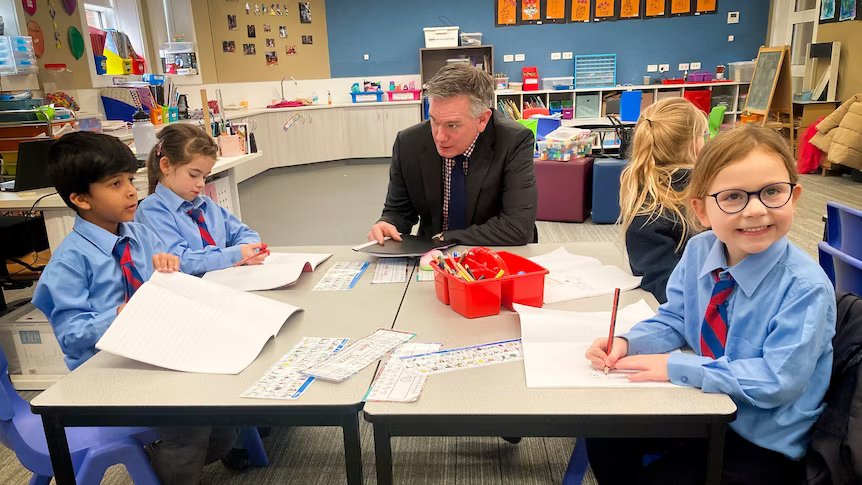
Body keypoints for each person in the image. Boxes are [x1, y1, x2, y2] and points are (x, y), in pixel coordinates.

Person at [584, 126, 836, 485]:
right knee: (605, 434)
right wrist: (627, 341)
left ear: (793, 198)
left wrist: (680, 367)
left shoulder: (804, 287)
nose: (756, 210)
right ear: (701, 210)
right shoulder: (699, 250)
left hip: (761, 437)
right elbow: (676, 319)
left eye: (772, 192)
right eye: (733, 197)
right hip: (702, 405)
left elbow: (778, 381)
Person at [32, 132, 239, 484]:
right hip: (103, 374)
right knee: (190, 424)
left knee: (226, 402)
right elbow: (71, 336)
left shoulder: (140, 236)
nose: (131, 191)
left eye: (130, 179)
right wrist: (120, 314)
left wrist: (169, 269)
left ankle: (163, 460)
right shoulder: (68, 263)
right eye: (115, 183)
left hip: (151, 354)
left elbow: (166, 278)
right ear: (80, 198)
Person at [367, 63, 538, 246]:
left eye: (452, 125)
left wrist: (445, 238)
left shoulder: (513, 140)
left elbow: (516, 227)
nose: (439, 137)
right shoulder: (409, 143)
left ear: (482, 119)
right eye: (433, 120)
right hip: (433, 255)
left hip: (495, 249)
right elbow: (399, 211)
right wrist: (388, 224)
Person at [135, 124, 267, 275]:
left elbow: (245, 234)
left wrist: (248, 251)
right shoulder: (152, 211)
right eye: (193, 174)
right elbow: (180, 260)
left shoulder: (207, 205)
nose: (201, 184)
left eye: (205, 177)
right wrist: (235, 255)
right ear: (166, 166)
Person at [619, 98, 707, 304]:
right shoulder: (708, 193)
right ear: (695, 145)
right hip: (700, 309)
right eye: (703, 135)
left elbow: (658, 279)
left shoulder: (644, 197)